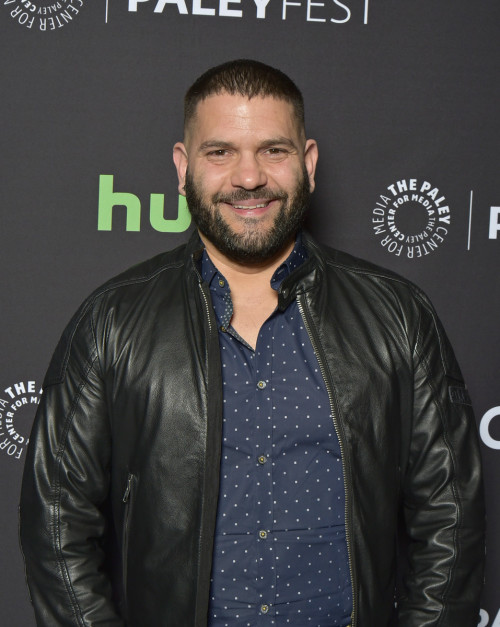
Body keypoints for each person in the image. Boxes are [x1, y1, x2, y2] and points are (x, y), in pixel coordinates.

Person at [20, 59, 485, 627]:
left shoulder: (398, 315)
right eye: (220, 153)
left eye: (273, 150)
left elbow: (450, 519)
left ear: (308, 164)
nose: (248, 177)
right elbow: (56, 522)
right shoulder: (111, 321)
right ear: (183, 166)